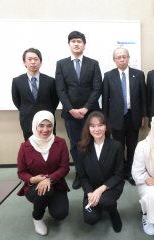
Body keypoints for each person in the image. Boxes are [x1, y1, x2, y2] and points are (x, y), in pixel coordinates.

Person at [55, 31, 102, 189]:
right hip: (70, 114)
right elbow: (60, 90)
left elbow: (97, 88)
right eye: (73, 41)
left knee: (92, 143)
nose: (76, 44)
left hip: (91, 113)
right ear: (69, 44)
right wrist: (71, 109)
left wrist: (86, 107)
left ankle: (93, 173)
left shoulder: (93, 63)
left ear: (84, 44)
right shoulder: (61, 64)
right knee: (75, 145)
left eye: (79, 41)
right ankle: (80, 174)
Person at [17, 110, 70, 236]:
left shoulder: (60, 143)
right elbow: (21, 172)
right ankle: (37, 217)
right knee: (46, 190)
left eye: (49, 125)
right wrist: (32, 180)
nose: (45, 129)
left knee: (60, 214)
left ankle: (45, 201)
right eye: (41, 125)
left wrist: (49, 179)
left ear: (53, 126)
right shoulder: (25, 147)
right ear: (35, 126)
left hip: (56, 184)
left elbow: (64, 167)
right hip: (33, 187)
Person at [102, 47, 147, 186]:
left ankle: (131, 173)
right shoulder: (108, 76)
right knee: (118, 147)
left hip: (133, 116)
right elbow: (105, 99)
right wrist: (105, 119)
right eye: (118, 57)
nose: (122, 59)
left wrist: (144, 115)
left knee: (133, 146)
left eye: (124, 56)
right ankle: (120, 174)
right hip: (115, 118)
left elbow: (143, 97)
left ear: (128, 58)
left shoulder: (138, 74)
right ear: (114, 60)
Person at [77, 111, 125, 233]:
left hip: (110, 186)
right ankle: (101, 205)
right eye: (92, 126)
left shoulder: (116, 146)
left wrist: (101, 189)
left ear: (106, 126)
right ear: (88, 128)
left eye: (100, 125)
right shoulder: (82, 147)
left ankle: (113, 211)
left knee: (105, 201)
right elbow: (82, 177)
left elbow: (119, 175)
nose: (97, 129)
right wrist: (89, 193)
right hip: (91, 189)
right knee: (90, 219)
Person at [12, 48, 59, 140]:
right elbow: (17, 101)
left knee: (49, 148)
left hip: (47, 122)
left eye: (36, 59)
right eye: (29, 59)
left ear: (40, 62)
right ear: (24, 62)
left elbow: (55, 101)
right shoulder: (17, 81)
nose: (33, 62)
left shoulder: (50, 81)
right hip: (27, 121)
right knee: (30, 149)